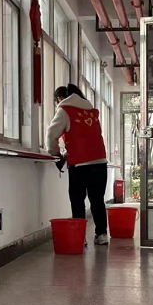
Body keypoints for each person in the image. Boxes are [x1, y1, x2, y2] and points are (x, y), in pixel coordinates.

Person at [46, 84, 109, 246]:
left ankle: (80, 237)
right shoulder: (91, 112)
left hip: (80, 165)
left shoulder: (65, 110)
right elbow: (86, 139)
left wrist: (55, 153)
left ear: (61, 98)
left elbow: (51, 134)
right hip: (100, 162)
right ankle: (102, 234)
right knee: (97, 200)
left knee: (77, 200)